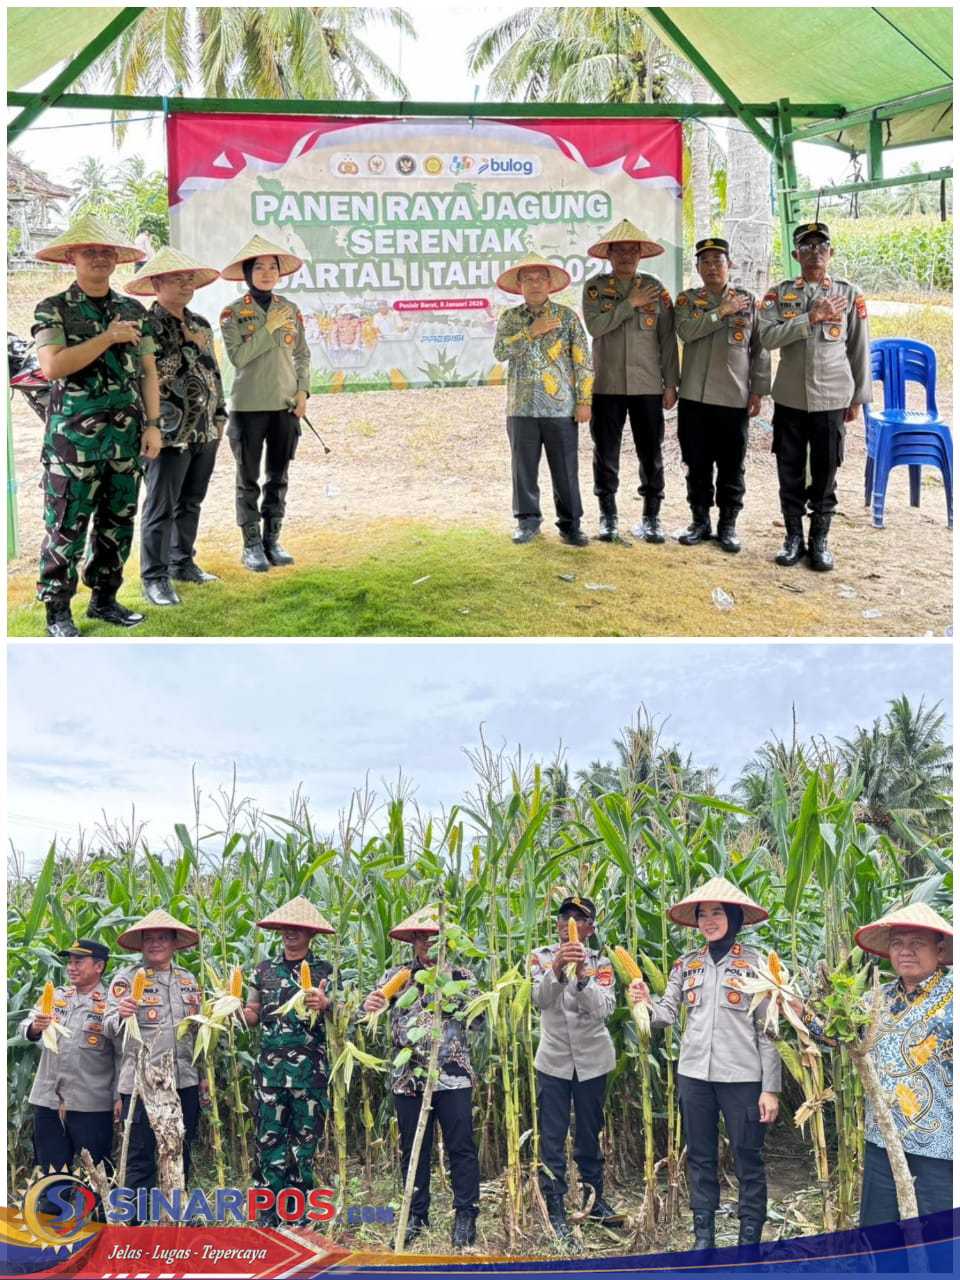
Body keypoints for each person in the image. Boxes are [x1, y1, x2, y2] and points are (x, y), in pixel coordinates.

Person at [628, 877, 780, 1249]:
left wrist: (770, 1089)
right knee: (700, 1157)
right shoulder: (687, 964)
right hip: (694, 1076)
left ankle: (748, 1242)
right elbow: (664, 1015)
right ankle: (703, 1237)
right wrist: (644, 1000)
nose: (709, 920)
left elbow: (769, 1030)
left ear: (734, 917)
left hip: (742, 1078)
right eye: (703, 914)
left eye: (717, 912)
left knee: (748, 1157)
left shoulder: (757, 966)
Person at [31, 212, 161, 637]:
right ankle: (57, 611)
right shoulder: (53, 309)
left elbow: (147, 371)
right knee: (66, 525)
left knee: (116, 523)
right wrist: (106, 338)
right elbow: (53, 367)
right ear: (72, 256)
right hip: (73, 444)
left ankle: (104, 600)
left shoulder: (132, 309)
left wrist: (154, 424)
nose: (100, 258)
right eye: (91, 251)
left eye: (107, 252)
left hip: (124, 438)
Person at [800, 903, 952, 1226]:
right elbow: (837, 1034)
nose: (905, 951)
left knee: (938, 1239)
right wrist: (797, 1009)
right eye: (897, 943)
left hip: (940, 1152)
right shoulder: (876, 998)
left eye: (917, 943)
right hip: (881, 1141)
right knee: (880, 1234)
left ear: (940, 950)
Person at [362, 906, 483, 1248]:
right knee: (414, 1148)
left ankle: (465, 1213)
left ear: (445, 938)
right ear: (412, 941)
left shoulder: (462, 976)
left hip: (452, 1074)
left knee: (461, 1146)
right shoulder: (395, 975)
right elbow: (365, 1013)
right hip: (409, 1077)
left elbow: (478, 1023)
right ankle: (416, 1214)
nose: (426, 943)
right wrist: (371, 1004)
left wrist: (451, 992)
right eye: (420, 937)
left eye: (433, 936)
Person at [758, 221, 871, 571]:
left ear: (831, 253)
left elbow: (858, 349)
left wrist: (857, 397)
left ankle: (819, 540)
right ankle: (793, 536)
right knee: (789, 469)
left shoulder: (849, 294)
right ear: (795, 255)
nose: (814, 253)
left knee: (825, 471)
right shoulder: (779, 295)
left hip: (831, 397)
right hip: (791, 397)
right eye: (806, 247)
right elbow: (767, 338)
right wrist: (811, 317)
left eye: (821, 246)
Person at [125, 247, 226, 606]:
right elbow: (154, 374)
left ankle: (183, 562)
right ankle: (154, 577)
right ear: (156, 282)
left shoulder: (200, 322)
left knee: (192, 501)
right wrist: (186, 346)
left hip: (205, 428)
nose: (185, 284)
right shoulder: (145, 325)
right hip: (167, 431)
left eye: (189, 278)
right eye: (175, 278)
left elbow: (213, 372)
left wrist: (220, 415)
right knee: (160, 506)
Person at [529, 896, 623, 1242]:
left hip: (593, 1061)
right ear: (557, 924)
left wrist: (584, 979)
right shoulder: (540, 958)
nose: (571, 923)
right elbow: (538, 1000)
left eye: (580, 919)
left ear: (590, 928)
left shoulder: (601, 963)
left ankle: (593, 1200)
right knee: (552, 1137)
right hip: (553, 1061)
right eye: (565, 917)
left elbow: (604, 1010)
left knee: (588, 1132)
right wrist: (556, 970)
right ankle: (554, 1208)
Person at [581, 218, 679, 543]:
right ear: (608, 254)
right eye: (619, 250)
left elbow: (667, 340)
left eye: (631, 250)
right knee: (605, 452)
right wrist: (629, 305)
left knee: (650, 452)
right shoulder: (594, 288)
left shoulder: (656, 289)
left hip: (648, 386)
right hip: (607, 386)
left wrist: (670, 384)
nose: (625, 256)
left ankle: (651, 517)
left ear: (640, 254)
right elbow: (595, 327)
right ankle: (608, 516)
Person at [220, 234, 311, 572]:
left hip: (285, 406)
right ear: (247, 273)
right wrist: (267, 328)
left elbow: (302, 355)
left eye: (272, 267)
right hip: (248, 407)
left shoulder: (290, 309)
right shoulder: (232, 314)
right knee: (248, 479)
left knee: (278, 476)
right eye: (258, 267)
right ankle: (251, 544)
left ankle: (273, 538)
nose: (267, 273)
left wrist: (303, 392)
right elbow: (239, 357)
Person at [674, 239, 771, 552]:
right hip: (695, 399)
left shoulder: (748, 300)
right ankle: (699, 521)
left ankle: (727, 525)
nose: (712, 267)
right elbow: (686, 332)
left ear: (729, 265)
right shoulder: (688, 300)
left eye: (718, 261)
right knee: (697, 463)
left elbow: (760, 349)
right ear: (698, 268)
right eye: (705, 262)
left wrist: (758, 389)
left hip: (733, 399)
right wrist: (721, 312)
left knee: (731, 465)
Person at [243, 896, 335, 1224]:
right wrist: (235, 1010)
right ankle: (268, 1207)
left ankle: (296, 1208)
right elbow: (252, 1013)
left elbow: (343, 1016)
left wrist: (327, 1004)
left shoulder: (326, 971)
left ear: (311, 933)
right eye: (286, 928)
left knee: (304, 1141)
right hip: (269, 1071)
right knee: (268, 1138)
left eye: (298, 928)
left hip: (310, 1073)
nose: (290, 933)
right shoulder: (263, 970)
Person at [103, 910, 205, 1198]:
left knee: (181, 1150)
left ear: (174, 943)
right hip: (141, 1085)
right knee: (140, 1156)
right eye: (149, 939)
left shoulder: (188, 980)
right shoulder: (124, 980)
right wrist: (121, 1015)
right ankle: (137, 1228)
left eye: (162, 938)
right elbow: (107, 1028)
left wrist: (204, 1076)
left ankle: (177, 1216)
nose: (156, 944)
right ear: (141, 944)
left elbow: (199, 1033)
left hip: (184, 1080)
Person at [493, 255, 593, 547]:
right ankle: (527, 521)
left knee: (565, 468)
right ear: (520, 285)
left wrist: (583, 400)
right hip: (521, 407)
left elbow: (583, 362)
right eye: (529, 279)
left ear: (549, 284)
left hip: (560, 406)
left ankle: (571, 525)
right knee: (523, 468)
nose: (535, 284)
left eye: (540, 279)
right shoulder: (510, 318)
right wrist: (530, 332)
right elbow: (500, 351)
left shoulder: (567, 317)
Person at [18, 939, 118, 1206]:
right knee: (51, 1174)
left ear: (99, 966)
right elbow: (26, 1026)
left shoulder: (111, 1004)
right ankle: (51, 1234)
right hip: (48, 1099)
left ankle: (95, 1233)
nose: (71, 967)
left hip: (91, 1103)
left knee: (95, 1177)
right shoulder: (57, 995)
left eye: (78, 962)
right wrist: (35, 1028)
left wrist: (118, 1096)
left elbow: (122, 1055)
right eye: (69, 961)